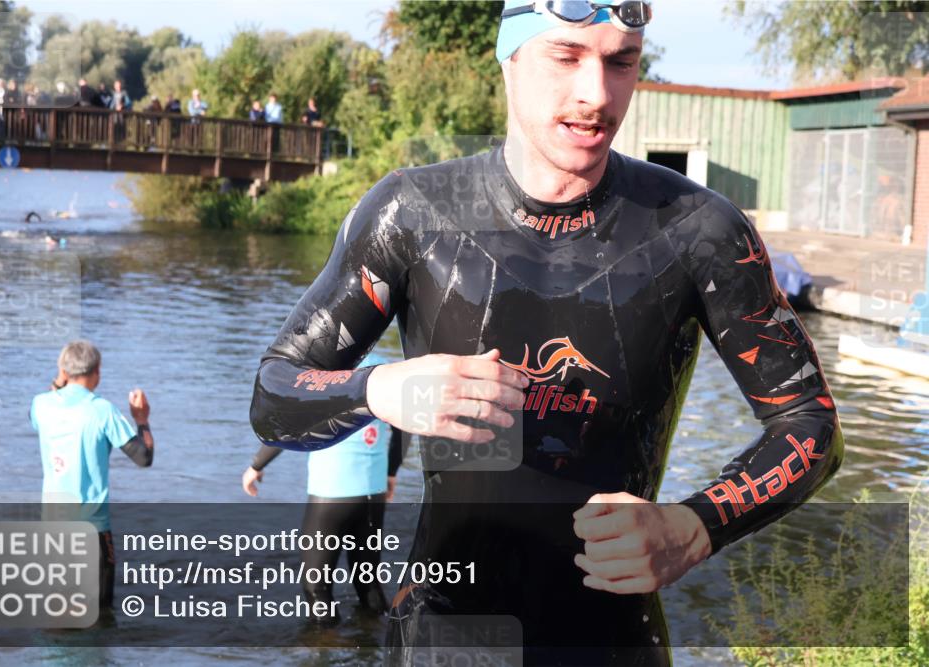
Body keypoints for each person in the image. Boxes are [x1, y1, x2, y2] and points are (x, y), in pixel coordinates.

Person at [249, 2, 843, 664]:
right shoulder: (411, 214)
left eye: (621, 62)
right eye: (566, 56)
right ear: (510, 60)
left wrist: (694, 524)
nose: (596, 94)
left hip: (613, 643)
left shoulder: (698, 229)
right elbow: (272, 398)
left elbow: (811, 424)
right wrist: (378, 388)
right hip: (444, 635)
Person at [242, 352, 406, 619]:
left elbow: (290, 425)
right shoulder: (384, 368)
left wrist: (256, 466)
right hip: (372, 494)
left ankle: (323, 645)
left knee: (315, 587)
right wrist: (391, 473)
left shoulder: (321, 372)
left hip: (332, 493)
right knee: (368, 583)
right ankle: (380, 645)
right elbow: (402, 427)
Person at [30, 340, 155, 610]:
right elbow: (144, 457)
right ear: (97, 371)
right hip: (91, 529)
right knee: (98, 614)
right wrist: (142, 418)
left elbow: (52, 396)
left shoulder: (40, 405)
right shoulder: (102, 411)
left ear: (63, 371)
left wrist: (60, 377)